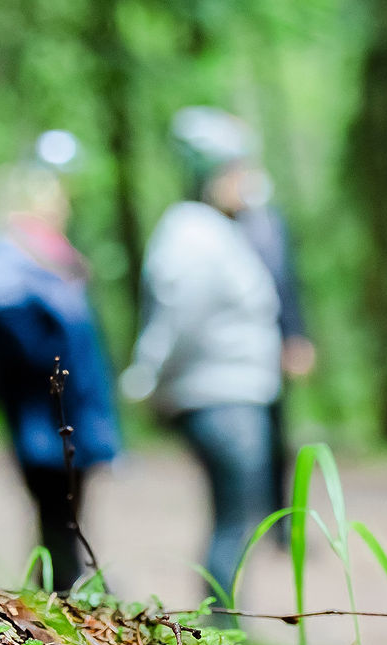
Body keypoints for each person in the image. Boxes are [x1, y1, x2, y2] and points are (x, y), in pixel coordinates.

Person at [121, 108, 283, 617]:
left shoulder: (215, 231)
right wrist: (147, 381)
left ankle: (224, 629)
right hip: (221, 401)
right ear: (212, 176)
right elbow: (177, 317)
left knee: (235, 517)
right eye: (238, 172)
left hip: (237, 397)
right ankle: (221, 631)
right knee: (234, 521)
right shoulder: (192, 232)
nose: (248, 183)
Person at [0, 138, 119, 594]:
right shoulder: (4, 257)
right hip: (42, 418)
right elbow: (0, 318)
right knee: (56, 514)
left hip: (72, 413)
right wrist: (48, 362)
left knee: (66, 517)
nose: (64, 206)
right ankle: (64, 605)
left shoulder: (55, 256)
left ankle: (63, 599)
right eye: (55, 198)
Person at [234, 179, 315, 531]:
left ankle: (281, 524)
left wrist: (295, 337)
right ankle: (248, 520)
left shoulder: (273, 222)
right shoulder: (218, 227)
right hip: (237, 353)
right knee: (244, 442)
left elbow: (288, 284)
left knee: (278, 437)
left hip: (273, 348)